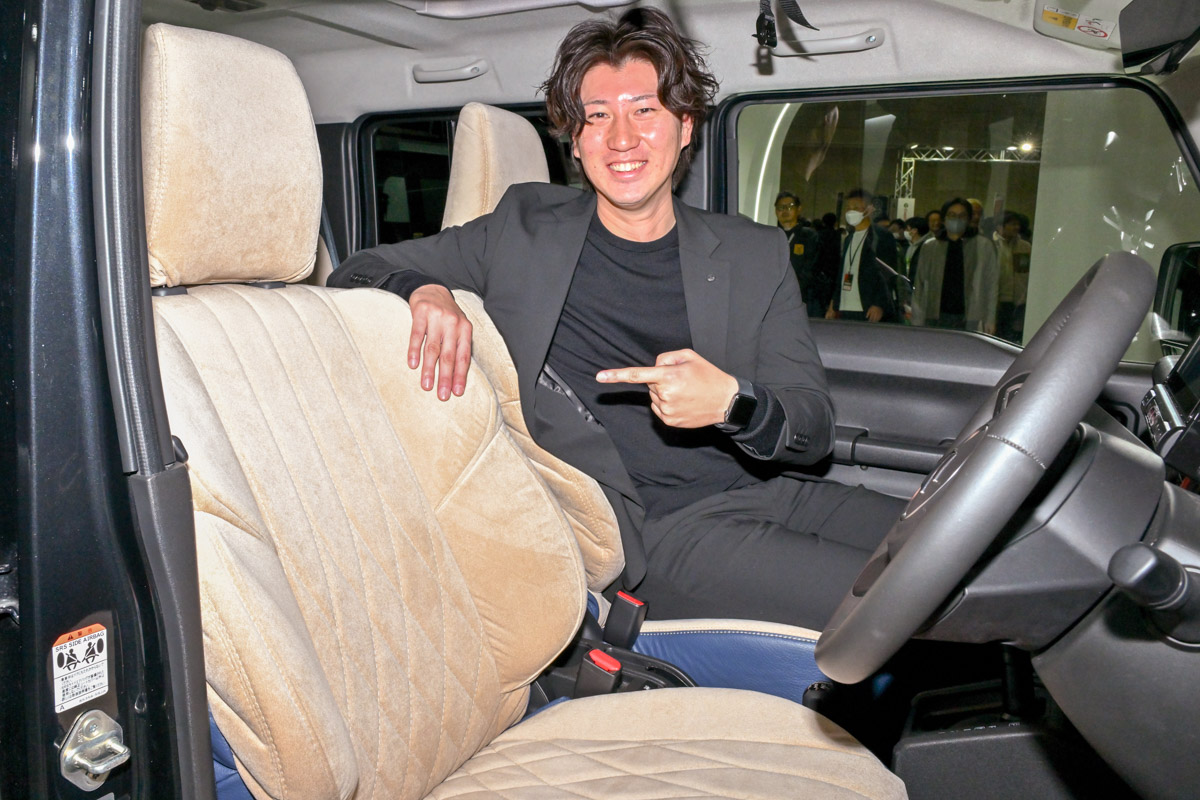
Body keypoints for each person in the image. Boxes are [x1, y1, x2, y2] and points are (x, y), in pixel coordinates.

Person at [328, 8, 905, 630]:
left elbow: (813, 426)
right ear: (575, 141)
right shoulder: (522, 230)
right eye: (597, 116)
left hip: (775, 489)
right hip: (658, 529)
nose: (621, 138)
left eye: (645, 110)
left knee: (953, 554)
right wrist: (424, 288)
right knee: (906, 602)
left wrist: (734, 404)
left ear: (685, 127)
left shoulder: (752, 251)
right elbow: (359, 268)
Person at [910, 197, 999, 333]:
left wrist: (990, 318)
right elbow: (920, 284)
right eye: (952, 215)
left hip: (971, 316)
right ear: (944, 219)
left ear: (968, 219)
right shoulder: (930, 246)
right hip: (935, 315)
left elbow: (992, 284)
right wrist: (917, 319)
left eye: (962, 215)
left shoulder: (984, 246)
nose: (957, 219)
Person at [825, 188, 899, 323]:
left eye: (856, 207)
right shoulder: (849, 238)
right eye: (848, 208)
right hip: (846, 305)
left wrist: (879, 303)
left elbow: (887, 273)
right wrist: (833, 303)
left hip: (868, 306)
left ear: (869, 209)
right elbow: (842, 272)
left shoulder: (880, 236)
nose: (850, 211)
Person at [775, 191, 822, 316]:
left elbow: (811, 268)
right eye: (780, 207)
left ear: (799, 209)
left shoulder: (809, 235)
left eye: (790, 206)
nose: (785, 210)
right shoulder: (771, 235)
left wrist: (792, 289)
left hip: (802, 296)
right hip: (775, 298)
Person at [995, 210, 1032, 342]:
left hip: (1019, 300)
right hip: (998, 300)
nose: (1016, 227)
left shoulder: (1025, 246)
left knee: (1015, 337)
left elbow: (1026, 271)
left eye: (1017, 224)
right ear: (1001, 226)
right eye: (1012, 224)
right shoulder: (991, 244)